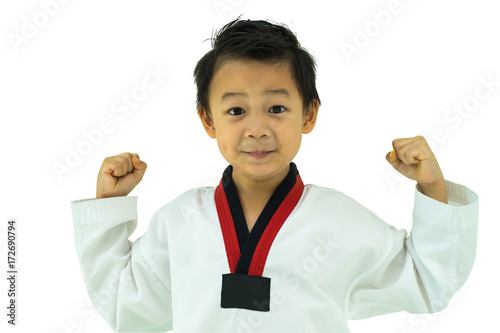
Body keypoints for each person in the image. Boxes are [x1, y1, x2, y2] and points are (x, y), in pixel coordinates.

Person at [70, 17, 479, 332]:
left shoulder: (339, 218)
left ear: (309, 113)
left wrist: (431, 186)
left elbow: (426, 280)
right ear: (208, 120)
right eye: (236, 111)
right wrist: (109, 206)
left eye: (277, 108)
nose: (257, 128)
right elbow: (124, 304)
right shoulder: (179, 222)